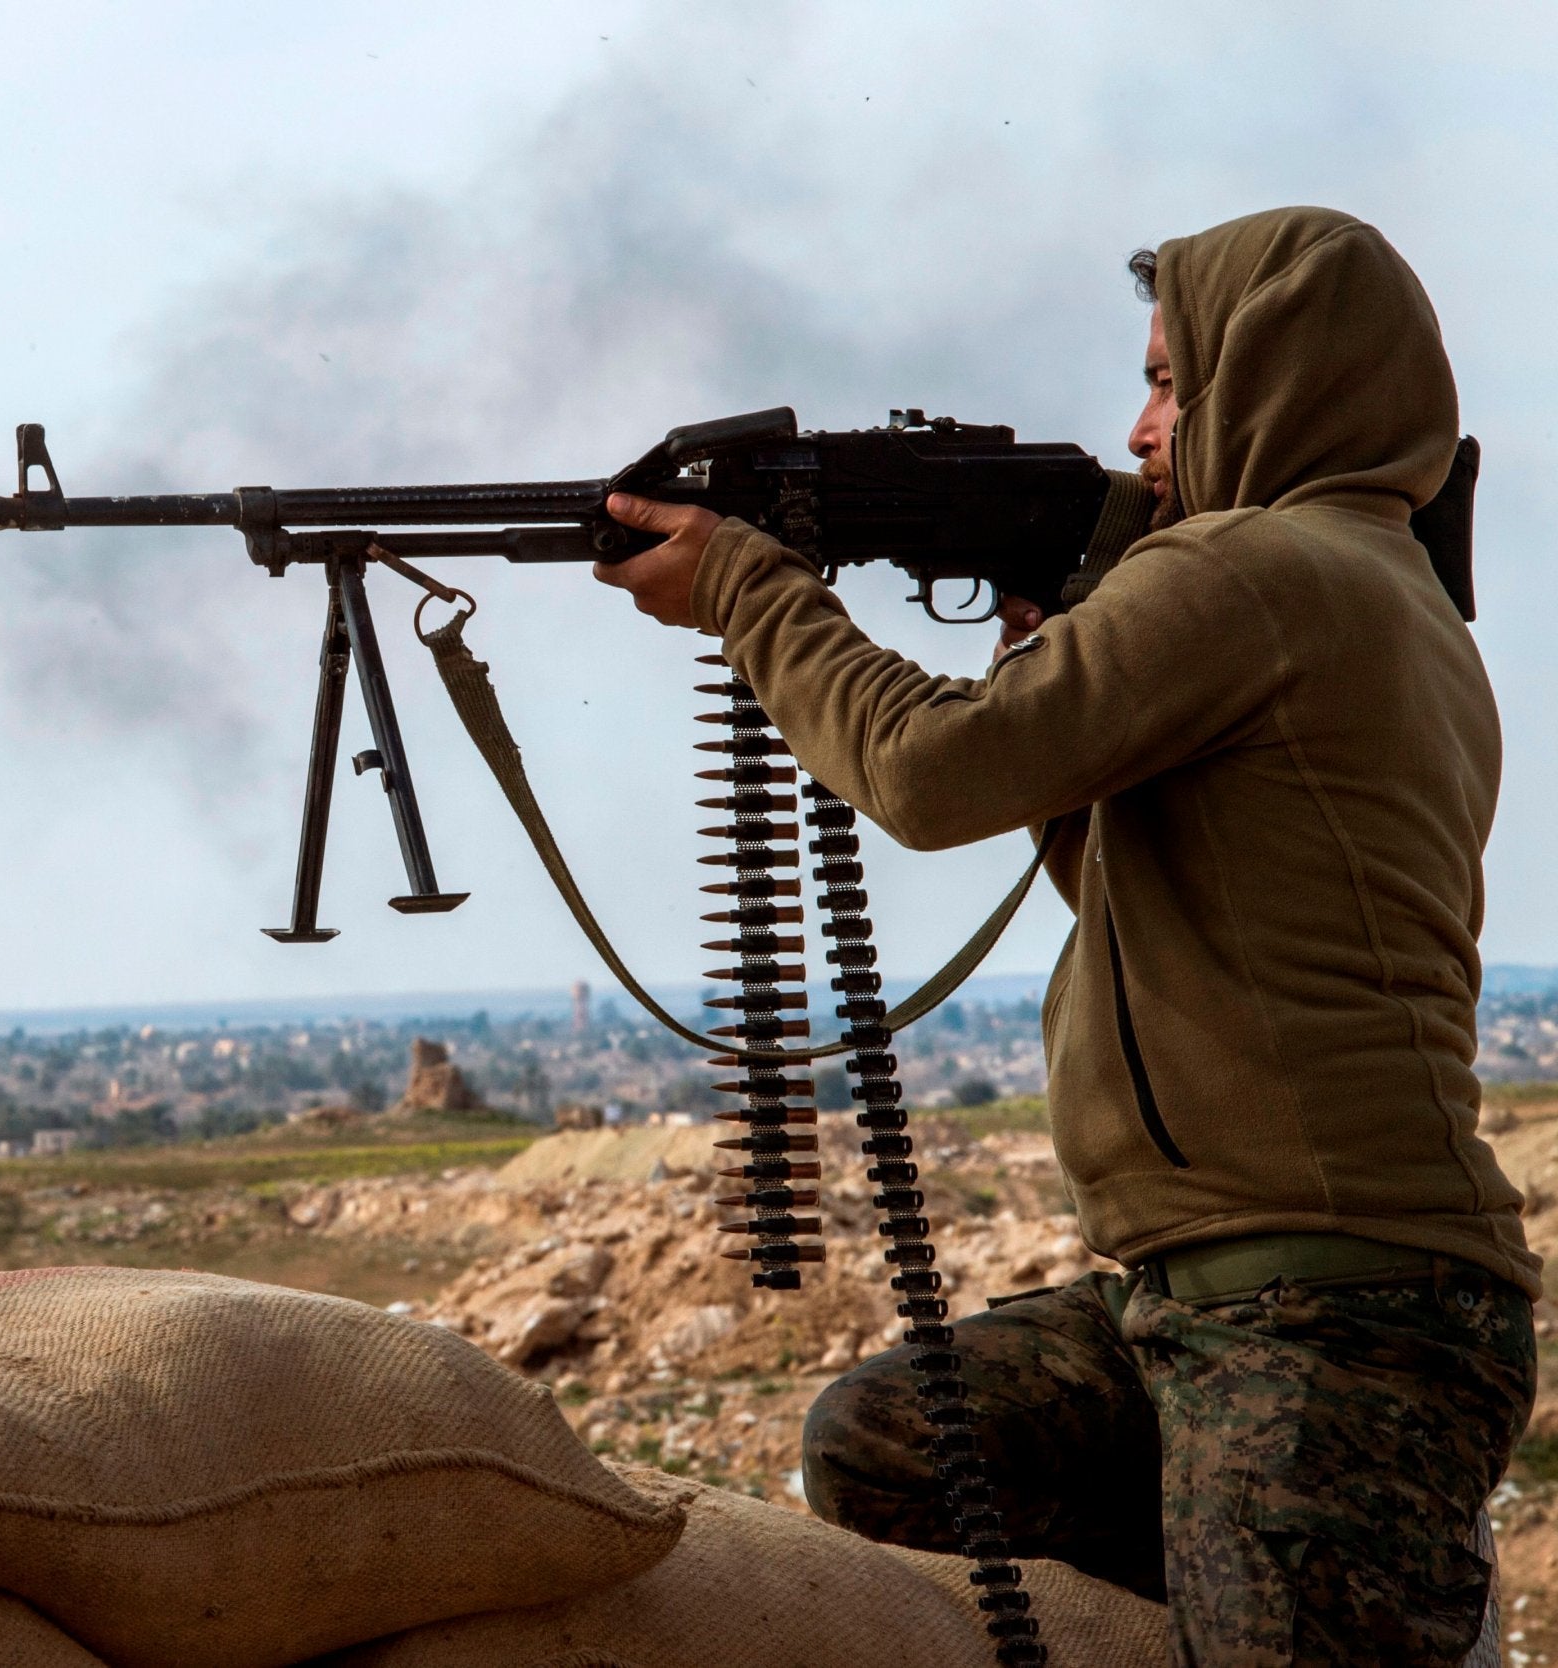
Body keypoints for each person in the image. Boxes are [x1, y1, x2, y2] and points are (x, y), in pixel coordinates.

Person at [593, 206, 1537, 1666]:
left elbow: (927, 773)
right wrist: (1057, 651)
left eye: (1174, 382)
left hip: (1331, 1316)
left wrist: (746, 593)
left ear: (1274, 381)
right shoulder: (1377, 593)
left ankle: (1397, 1581)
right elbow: (1150, 892)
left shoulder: (1256, 573)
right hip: (1206, 1296)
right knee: (894, 1446)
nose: (1142, 427)